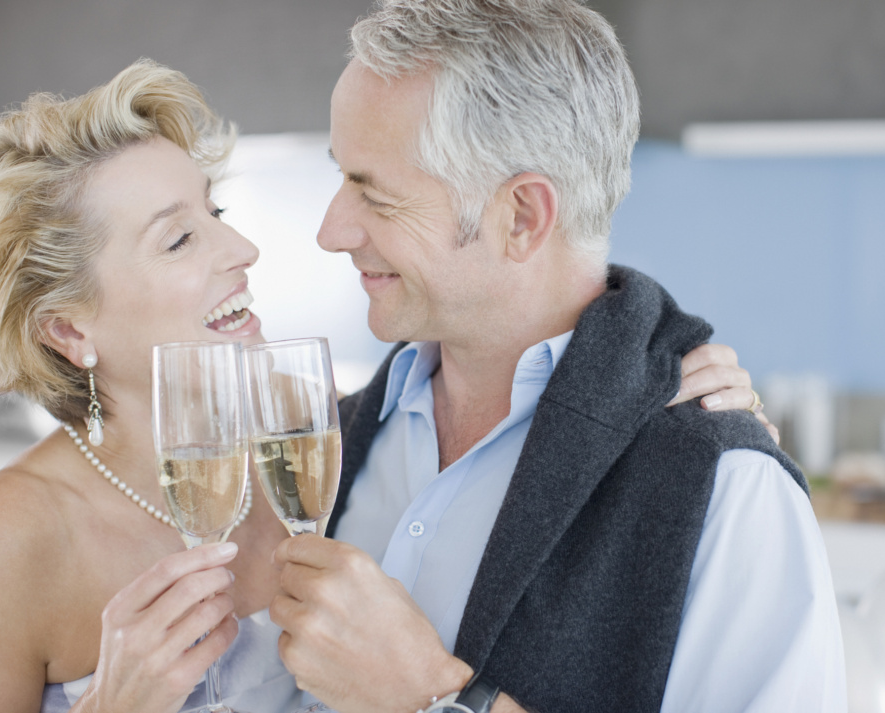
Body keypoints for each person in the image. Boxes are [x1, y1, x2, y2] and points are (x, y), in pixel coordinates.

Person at [0, 60, 762, 712]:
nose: (244, 247)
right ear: (68, 330)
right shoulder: (12, 537)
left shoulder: (325, 448)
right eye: (180, 237)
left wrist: (678, 414)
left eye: (216, 208)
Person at [270, 1, 846, 712]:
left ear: (522, 217)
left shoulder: (725, 489)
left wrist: (427, 696)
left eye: (375, 195)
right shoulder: (326, 443)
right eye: (340, 174)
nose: (331, 229)